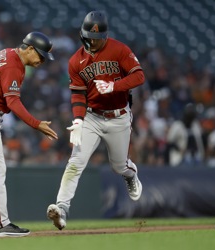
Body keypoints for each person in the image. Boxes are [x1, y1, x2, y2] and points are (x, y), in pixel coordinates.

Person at [47, 10, 145, 230]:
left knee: (118, 166)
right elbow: (77, 94)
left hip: (119, 115)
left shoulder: (119, 49)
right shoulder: (75, 61)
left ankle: (130, 173)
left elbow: (139, 75)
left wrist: (114, 86)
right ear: (82, 35)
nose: (94, 41)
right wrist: (79, 120)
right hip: (91, 116)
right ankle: (61, 209)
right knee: (76, 162)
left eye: (98, 38)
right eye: (90, 37)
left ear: (105, 36)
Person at [0, 31, 58, 237]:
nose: (42, 61)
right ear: (30, 49)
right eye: (40, 55)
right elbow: (12, 102)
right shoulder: (14, 65)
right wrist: (36, 124)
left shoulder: (7, 53)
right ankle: (0, 223)